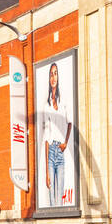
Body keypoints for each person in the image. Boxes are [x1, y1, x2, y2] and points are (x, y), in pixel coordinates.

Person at [42, 60, 72, 207]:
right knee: (51, 192)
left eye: (55, 74)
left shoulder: (63, 99)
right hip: (51, 150)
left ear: (58, 77)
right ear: (49, 79)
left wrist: (65, 142)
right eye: (51, 75)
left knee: (59, 192)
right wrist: (47, 171)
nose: (53, 77)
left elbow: (70, 122)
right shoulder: (46, 105)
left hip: (60, 150)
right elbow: (46, 137)